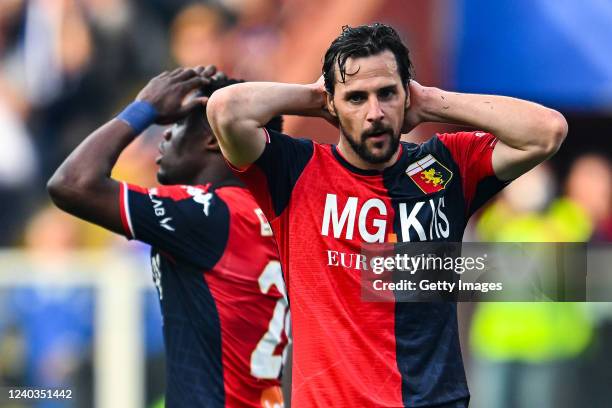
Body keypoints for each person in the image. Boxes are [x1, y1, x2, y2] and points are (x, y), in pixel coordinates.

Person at [206, 23, 568, 407]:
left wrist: (431, 100)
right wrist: (316, 96)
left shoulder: (445, 165)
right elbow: (226, 110)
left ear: (406, 95)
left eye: (387, 94)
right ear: (332, 103)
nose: (375, 113)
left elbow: (546, 131)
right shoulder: (293, 170)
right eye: (356, 98)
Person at [47, 66, 289, 408]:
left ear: (213, 138)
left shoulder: (206, 212)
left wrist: (144, 108)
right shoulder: (282, 213)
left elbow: (71, 183)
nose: (164, 136)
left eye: (178, 124)